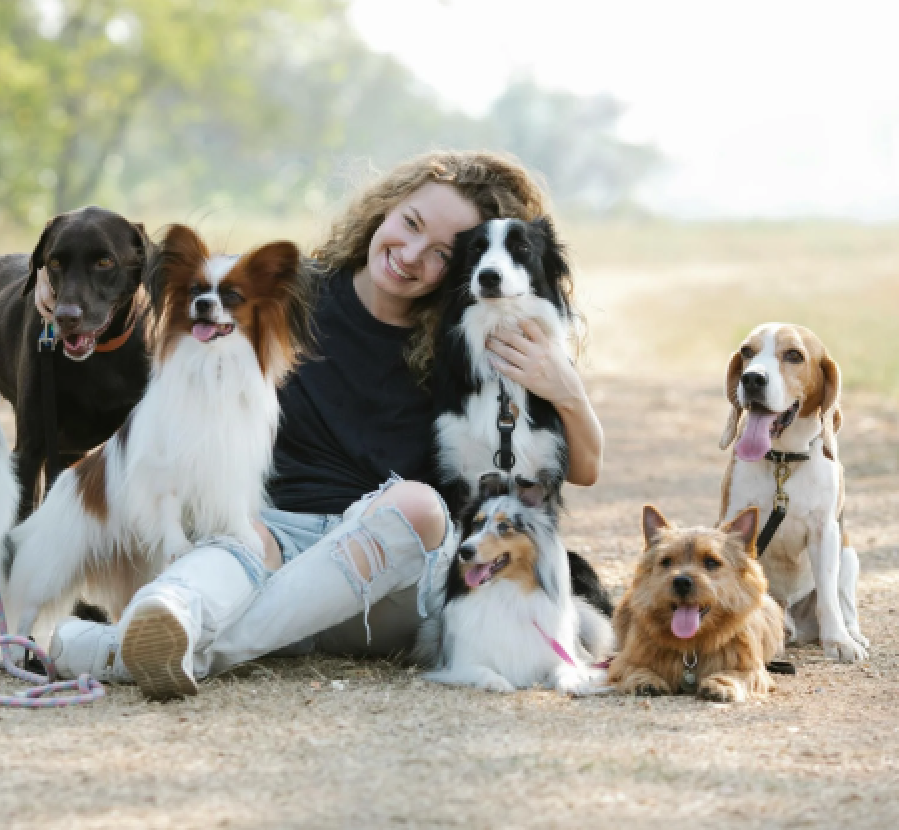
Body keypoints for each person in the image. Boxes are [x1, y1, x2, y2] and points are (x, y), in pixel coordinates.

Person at [47, 151, 604, 699]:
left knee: (418, 506)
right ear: (385, 208)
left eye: (440, 252)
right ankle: (166, 619)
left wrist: (568, 390)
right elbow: (173, 294)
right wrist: (53, 300)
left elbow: (581, 468)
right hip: (270, 540)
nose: (411, 255)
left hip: (384, 576)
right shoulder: (292, 294)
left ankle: (117, 651)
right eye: (410, 223)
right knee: (238, 534)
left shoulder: (464, 344)